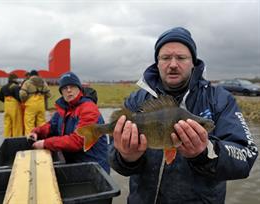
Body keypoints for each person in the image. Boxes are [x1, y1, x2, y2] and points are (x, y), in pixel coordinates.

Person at [109, 27, 258, 203]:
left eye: (181, 57)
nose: (173, 64)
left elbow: (246, 156)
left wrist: (205, 153)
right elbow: (114, 157)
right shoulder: (136, 100)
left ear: (193, 62)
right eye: (165, 58)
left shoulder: (220, 99)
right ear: (157, 63)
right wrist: (126, 157)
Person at [28, 72, 110, 173]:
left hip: (94, 168)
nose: (69, 90)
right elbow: (51, 126)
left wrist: (45, 143)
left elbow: (78, 141)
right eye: (64, 88)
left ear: (79, 89)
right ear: (61, 92)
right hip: (76, 164)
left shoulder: (88, 108)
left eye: (72, 86)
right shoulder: (64, 108)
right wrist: (37, 132)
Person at [19, 70, 51, 135]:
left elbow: (22, 94)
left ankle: (30, 139)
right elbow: (49, 94)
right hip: (41, 105)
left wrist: (24, 100)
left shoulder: (27, 82)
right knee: (42, 123)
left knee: (29, 123)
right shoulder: (43, 82)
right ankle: (41, 138)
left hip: (31, 105)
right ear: (37, 75)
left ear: (30, 75)